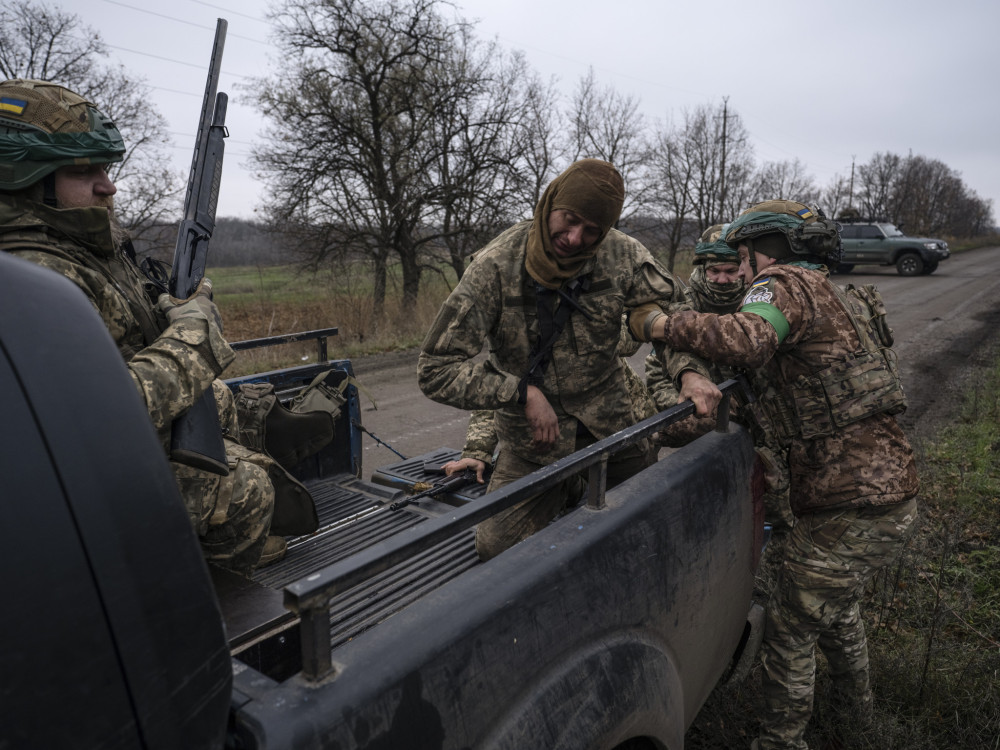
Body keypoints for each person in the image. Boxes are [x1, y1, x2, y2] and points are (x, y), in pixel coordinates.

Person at [636, 199, 918, 749]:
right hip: (880, 491)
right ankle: (855, 721)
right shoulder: (838, 291)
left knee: (790, 624)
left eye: (742, 257)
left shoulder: (782, 283)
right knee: (832, 609)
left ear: (769, 249)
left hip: (853, 497)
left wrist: (661, 323)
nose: (738, 271)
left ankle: (779, 741)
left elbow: (746, 340)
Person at [0, 79, 289, 575]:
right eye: (83, 171)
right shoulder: (29, 276)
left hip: (91, 459)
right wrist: (194, 332)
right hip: (62, 486)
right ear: (24, 178)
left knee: (221, 400)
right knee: (245, 493)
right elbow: (100, 414)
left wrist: (174, 305)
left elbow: (124, 315)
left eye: (106, 168)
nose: (107, 186)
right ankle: (191, 605)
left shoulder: (76, 239)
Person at [417, 158, 697, 561]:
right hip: (533, 445)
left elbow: (678, 317)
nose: (574, 237)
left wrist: (688, 373)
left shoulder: (622, 255)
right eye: (569, 220)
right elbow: (435, 370)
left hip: (613, 431)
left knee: (648, 531)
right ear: (550, 205)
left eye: (591, 231)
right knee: (494, 549)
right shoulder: (494, 266)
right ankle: (568, 484)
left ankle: (581, 481)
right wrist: (521, 392)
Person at [644, 224, 795, 530]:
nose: (723, 279)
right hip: (699, 408)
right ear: (703, 268)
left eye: (730, 270)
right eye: (715, 271)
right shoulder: (685, 303)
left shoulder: (759, 298)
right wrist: (681, 402)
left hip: (752, 411)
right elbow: (657, 369)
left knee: (774, 494)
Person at [442, 315, 658, 483]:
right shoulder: (518, 331)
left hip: (624, 437)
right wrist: (477, 452)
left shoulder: (590, 307)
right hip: (560, 452)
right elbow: (498, 391)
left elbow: (629, 335)